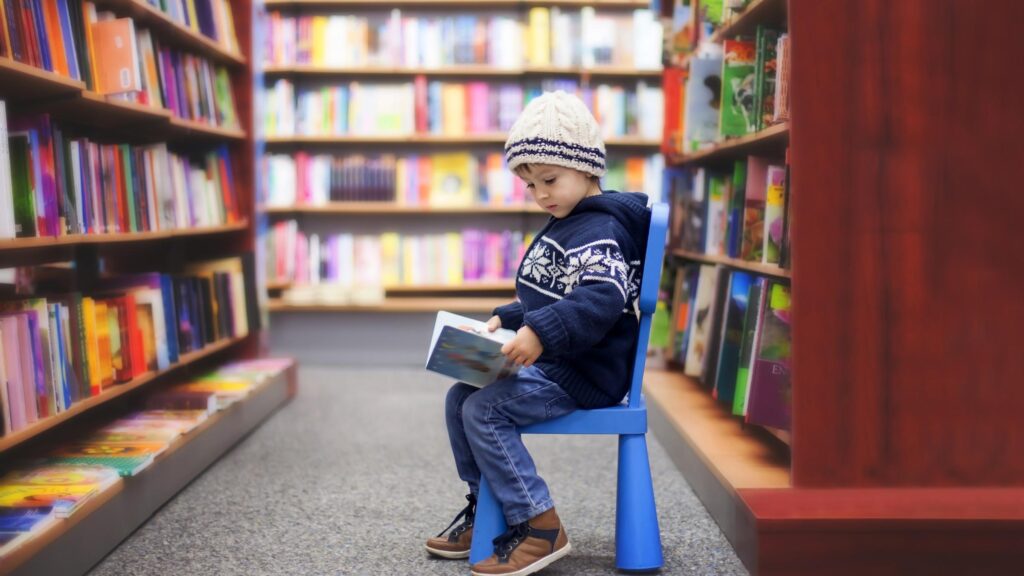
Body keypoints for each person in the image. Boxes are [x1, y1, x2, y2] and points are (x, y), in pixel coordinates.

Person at [425, 91, 651, 576]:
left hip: (583, 373)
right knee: (458, 396)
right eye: (530, 185)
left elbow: (600, 298)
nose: (541, 193)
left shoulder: (600, 230)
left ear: (588, 167)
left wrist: (539, 333)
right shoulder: (567, 222)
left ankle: (538, 522)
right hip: (557, 359)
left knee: (484, 410)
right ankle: (488, 503)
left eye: (549, 179)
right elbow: (550, 293)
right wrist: (509, 319)